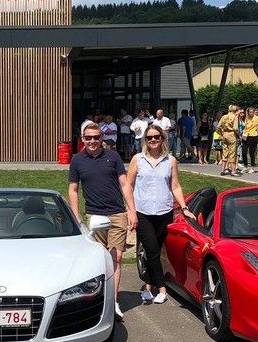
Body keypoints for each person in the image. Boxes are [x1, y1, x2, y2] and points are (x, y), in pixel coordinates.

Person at [68, 121, 137, 318]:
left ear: (101, 138)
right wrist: (76, 215)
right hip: (94, 216)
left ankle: (113, 302)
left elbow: (125, 185)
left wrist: (132, 210)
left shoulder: (113, 157)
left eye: (96, 137)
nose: (92, 141)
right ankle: (98, 300)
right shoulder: (77, 160)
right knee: (98, 260)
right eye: (88, 138)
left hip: (117, 213)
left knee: (116, 257)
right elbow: (73, 189)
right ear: (82, 139)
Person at [126, 123, 194, 304]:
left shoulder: (170, 160)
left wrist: (184, 207)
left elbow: (175, 186)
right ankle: (162, 288)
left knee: (154, 251)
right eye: (149, 138)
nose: (153, 140)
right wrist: (130, 209)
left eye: (157, 137)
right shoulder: (138, 159)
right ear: (145, 140)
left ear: (163, 139)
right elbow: (128, 185)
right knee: (152, 250)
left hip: (164, 212)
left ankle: (148, 286)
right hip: (143, 212)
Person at [242, 107, 258, 173]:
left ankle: (252, 167)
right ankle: (245, 166)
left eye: (252, 112)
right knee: (243, 151)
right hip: (245, 136)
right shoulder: (247, 118)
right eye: (250, 112)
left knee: (252, 152)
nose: (251, 113)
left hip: (253, 136)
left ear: (254, 112)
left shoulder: (256, 118)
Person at [216, 105, 239, 176]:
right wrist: (238, 135)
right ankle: (233, 171)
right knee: (232, 153)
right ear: (235, 111)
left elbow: (218, 127)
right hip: (231, 135)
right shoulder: (235, 117)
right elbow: (235, 128)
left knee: (225, 152)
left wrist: (221, 134)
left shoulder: (224, 116)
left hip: (225, 135)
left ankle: (223, 170)